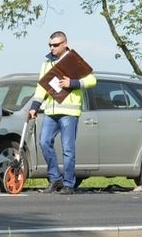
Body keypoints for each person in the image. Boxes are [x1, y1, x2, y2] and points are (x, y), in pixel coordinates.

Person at [27, 31, 96, 195]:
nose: (52, 48)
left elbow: (93, 80)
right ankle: (55, 179)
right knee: (44, 142)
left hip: (69, 112)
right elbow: (41, 87)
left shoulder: (74, 60)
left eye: (56, 45)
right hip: (50, 111)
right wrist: (35, 106)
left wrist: (72, 82)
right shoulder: (46, 63)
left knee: (68, 149)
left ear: (65, 43)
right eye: (50, 45)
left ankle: (68, 184)